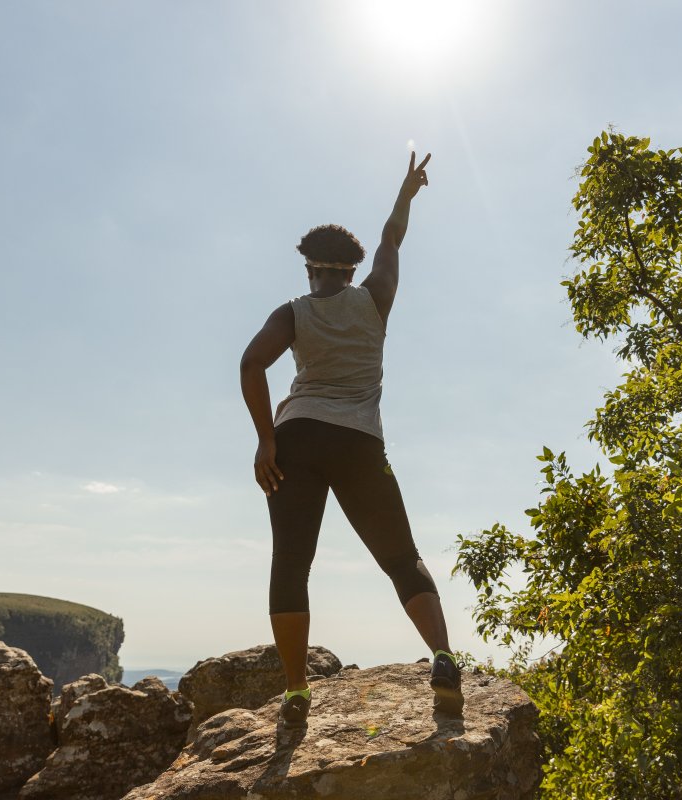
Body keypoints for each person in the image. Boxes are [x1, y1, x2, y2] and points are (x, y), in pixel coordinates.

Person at [239, 152, 462, 729]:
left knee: (291, 562)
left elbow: (250, 364)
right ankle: (442, 656)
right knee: (400, 557)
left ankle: (296, 691)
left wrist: (266, 441)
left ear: (311, 270)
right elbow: (392, 237)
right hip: (360, 441)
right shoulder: (376, 298)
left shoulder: (293, 312)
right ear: (350, 269)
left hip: (298, 436)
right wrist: (406, 193)